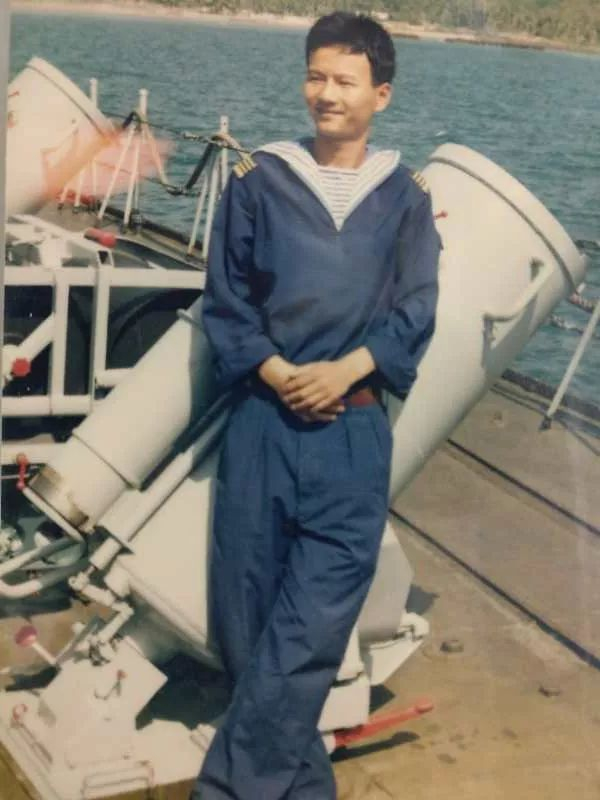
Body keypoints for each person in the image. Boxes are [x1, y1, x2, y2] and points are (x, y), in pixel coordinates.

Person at [190, 11, 441, 799]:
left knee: (307, 635)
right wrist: (273, 371)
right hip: (263, 427)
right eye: (315, 76)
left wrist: (348, 371)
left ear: (381, 95)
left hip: (351, 436)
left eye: (344, 81)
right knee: (249, 633)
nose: (326, 94)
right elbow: (227, 301)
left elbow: (417, 311)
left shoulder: (405, 198)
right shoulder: (258, 182)